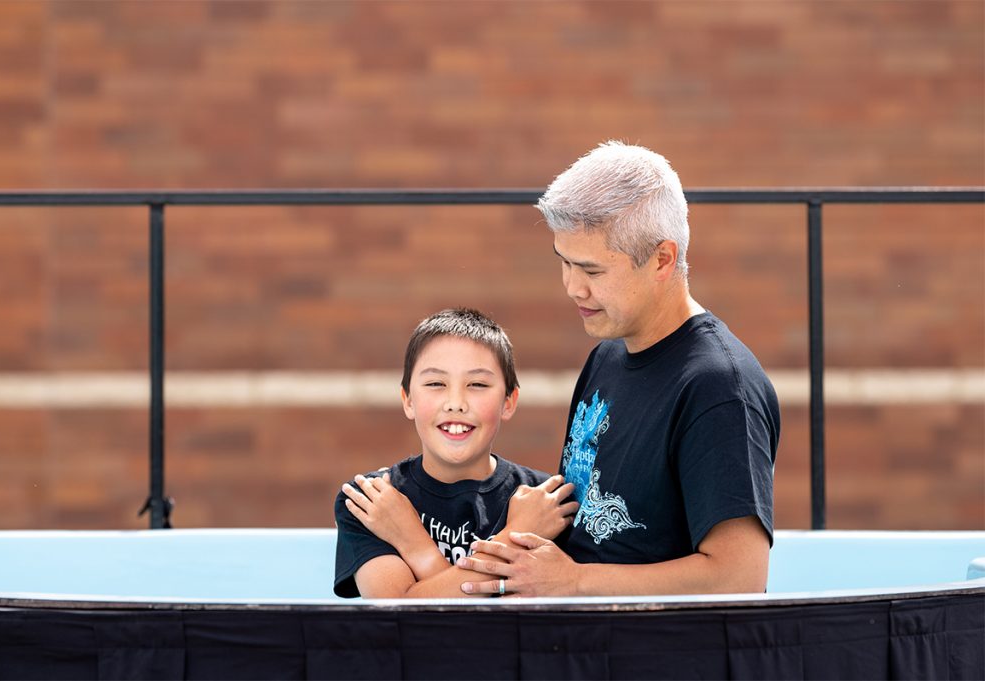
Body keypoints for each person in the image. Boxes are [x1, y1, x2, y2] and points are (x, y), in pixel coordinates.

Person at [456, 141, 780, 597]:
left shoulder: (719, 387)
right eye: (564, 263)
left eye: (592, 270)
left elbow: (740, 578)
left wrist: (575, 581)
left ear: (663, 260)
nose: (572, 287)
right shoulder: (608, 353)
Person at [333, 308, 578, 598]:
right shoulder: (373, 500)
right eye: (436, 383)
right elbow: (400, 618)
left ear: (509, 401)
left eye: (477, 384)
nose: (456, 402)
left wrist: (416, 549)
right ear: (408, 400)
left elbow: (511, 625)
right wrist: (519, 534)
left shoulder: (547, 502)